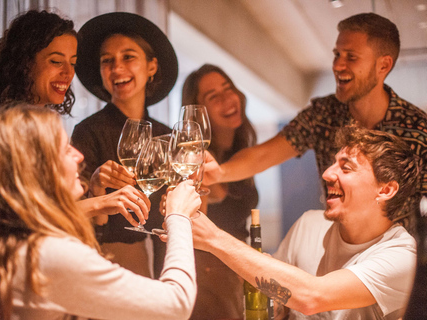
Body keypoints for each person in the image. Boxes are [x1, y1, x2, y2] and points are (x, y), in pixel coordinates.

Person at [0, 104, 200, 320]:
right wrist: (179, 216)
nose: (79, 155)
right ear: (36, 169)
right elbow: (176, 304)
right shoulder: (47, 254)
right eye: (65, 149)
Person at [202, 12, 427, 231]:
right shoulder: (322, 114)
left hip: (397, 257)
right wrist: (220, 173)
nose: (338, 65)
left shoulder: (419, 129)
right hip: (338, 249)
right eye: (337, 54)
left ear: (383, 66)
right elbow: (264, 155)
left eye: (351, 56)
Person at [192, 126, 420, 319]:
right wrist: (266, 288)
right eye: (333, 163)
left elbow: (313, 297)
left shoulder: (401, 255)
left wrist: (213, 237)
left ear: (386, 189)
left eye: (346, 167)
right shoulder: (308, 224)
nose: (327, 174)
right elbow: (278, 305)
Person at [0, 9, 149, 225]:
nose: (68, 73)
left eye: (72, 63)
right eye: (56, 61)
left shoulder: (37, 119)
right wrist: (99, 203)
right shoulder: (5, 124)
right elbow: (20, 219)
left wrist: (97, 192)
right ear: (25, 63)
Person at [71, 12, 178, 277]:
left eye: (128, 57)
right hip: (111, 265)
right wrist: (97, 188)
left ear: (151, 66)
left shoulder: (166, 135)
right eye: (107, 61)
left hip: (165, 262)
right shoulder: (87, 131)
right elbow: (75, 219)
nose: (117, 68)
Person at [181, 64, 258, 319]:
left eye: (228, 89)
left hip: (238, 269)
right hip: (209, 278)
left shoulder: (240, 150)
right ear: (198, 112)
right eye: (214, 97)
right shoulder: (199, 158)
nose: (227, 99)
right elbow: (193, 226)